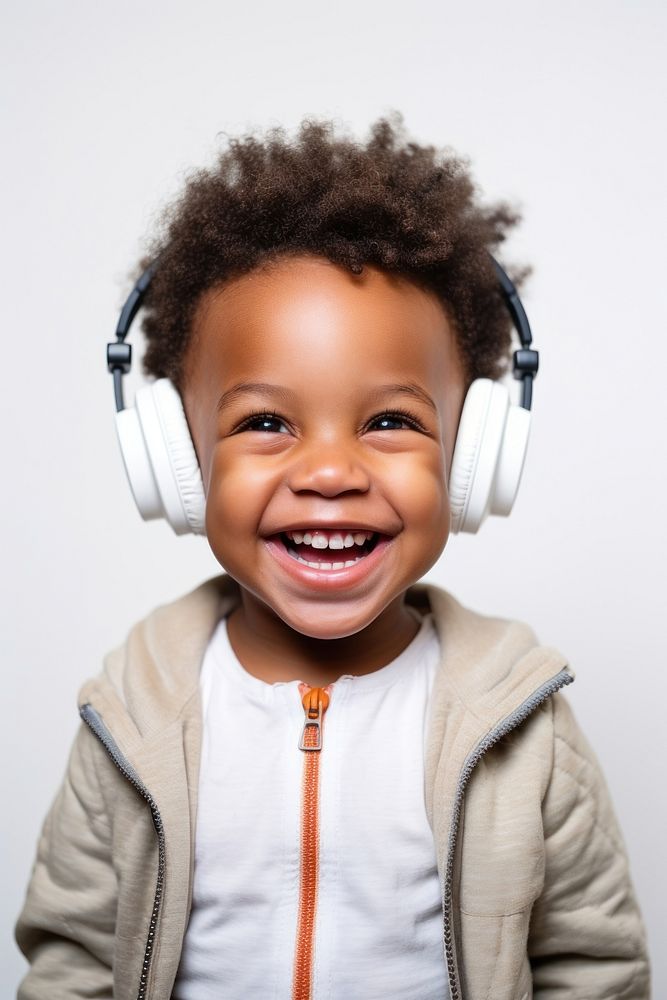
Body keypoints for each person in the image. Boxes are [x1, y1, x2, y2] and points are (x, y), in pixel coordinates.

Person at [15, 116, 650, 1000]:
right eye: (264, 423)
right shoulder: (132, 715)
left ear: (473, 460)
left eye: (390, 421)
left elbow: (594, 969)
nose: (328, 472)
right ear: (176, 461)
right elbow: (71, 964)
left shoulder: (524, 727)